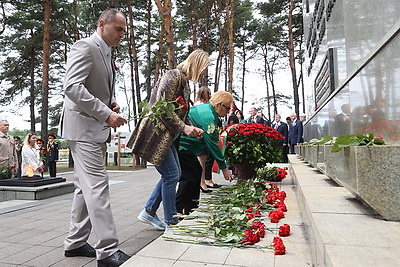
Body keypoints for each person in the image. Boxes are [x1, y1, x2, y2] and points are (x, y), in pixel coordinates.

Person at [57, 8, 130, 266]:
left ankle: (75, 242)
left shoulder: (106, 52)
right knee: (98, 186)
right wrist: (105, 114)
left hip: (92, 127)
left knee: (83, 187)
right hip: (83, 128)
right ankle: (108, 251)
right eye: (118, 29)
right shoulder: (85, 46)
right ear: (102, 24)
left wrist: (110, 105)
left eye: (124, 30)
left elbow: (91, 88)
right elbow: (71, 86)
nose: (122, 34)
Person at [127, 49, 208, 230]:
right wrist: (184, 127)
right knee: (172, 174)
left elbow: (180, 112)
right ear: (196, 64)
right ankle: (170, 219)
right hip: (155, 134)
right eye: (203, 69)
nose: (203, 74)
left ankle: (149, 211)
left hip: (167, 136)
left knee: (173, 174)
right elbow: (161, 107)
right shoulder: (173, 76)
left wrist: (190, 127)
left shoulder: (185, 83)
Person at [176, 91, 234, 215]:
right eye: (227, 108)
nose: (228, 111)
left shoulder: (211, 113)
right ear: (219, 104)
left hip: (190, 148)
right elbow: (212, 143)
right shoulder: (208, 115)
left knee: (197, 172)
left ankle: (191, 207)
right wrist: (224, 168)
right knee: (189, 176)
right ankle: (177, 209)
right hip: (183, 147)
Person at [193, 86, 213, 193]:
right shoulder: (199, 105)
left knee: (204, 160)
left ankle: (203, 181)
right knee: (201, 161)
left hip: (204, 135)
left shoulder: (202, 105)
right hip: (201, 135)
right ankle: (201, 182)